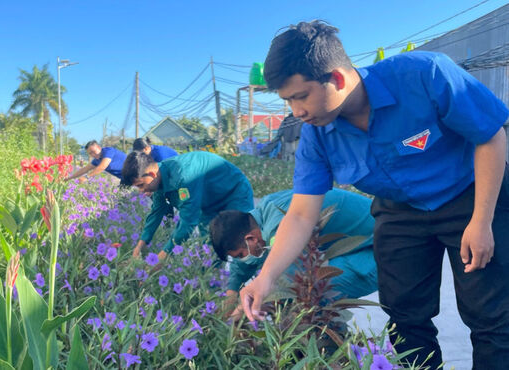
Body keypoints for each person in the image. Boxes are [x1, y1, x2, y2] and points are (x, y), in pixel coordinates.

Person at [239, 21, 509, 369]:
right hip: (399, 211)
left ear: (336, 78)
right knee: (404, 319)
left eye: (300, 96)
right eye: (288, 101)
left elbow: (490, 137)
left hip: (471, 195)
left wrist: (482, 220)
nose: (297, 112)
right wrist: (267, 277)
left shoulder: (425, 75)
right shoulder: (317, 134)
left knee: (491, 317)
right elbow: (301, 214)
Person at [210, 188, 377, 319]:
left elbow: (286, 278)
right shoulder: (261, 216)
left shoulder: (277, 226)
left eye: (240, 255)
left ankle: (328, 355)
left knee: (313, 295)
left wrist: (243, 310)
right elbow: (240, 268)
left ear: (251, 239)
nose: (243, 259)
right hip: (358, 241)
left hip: (380, 247)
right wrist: (231, 297)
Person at [121, 151, 254, 263]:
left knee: (239, 243)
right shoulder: (159, 180)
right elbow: (156, 212)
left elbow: (188, 222)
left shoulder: (183, 176)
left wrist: (164, 254)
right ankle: (212, 288)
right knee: (210, 248)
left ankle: (247, 288)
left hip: (233, 192)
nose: (141, 190)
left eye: (140, 185)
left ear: (152, 174)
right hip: (208, 203)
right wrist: (141, 244)